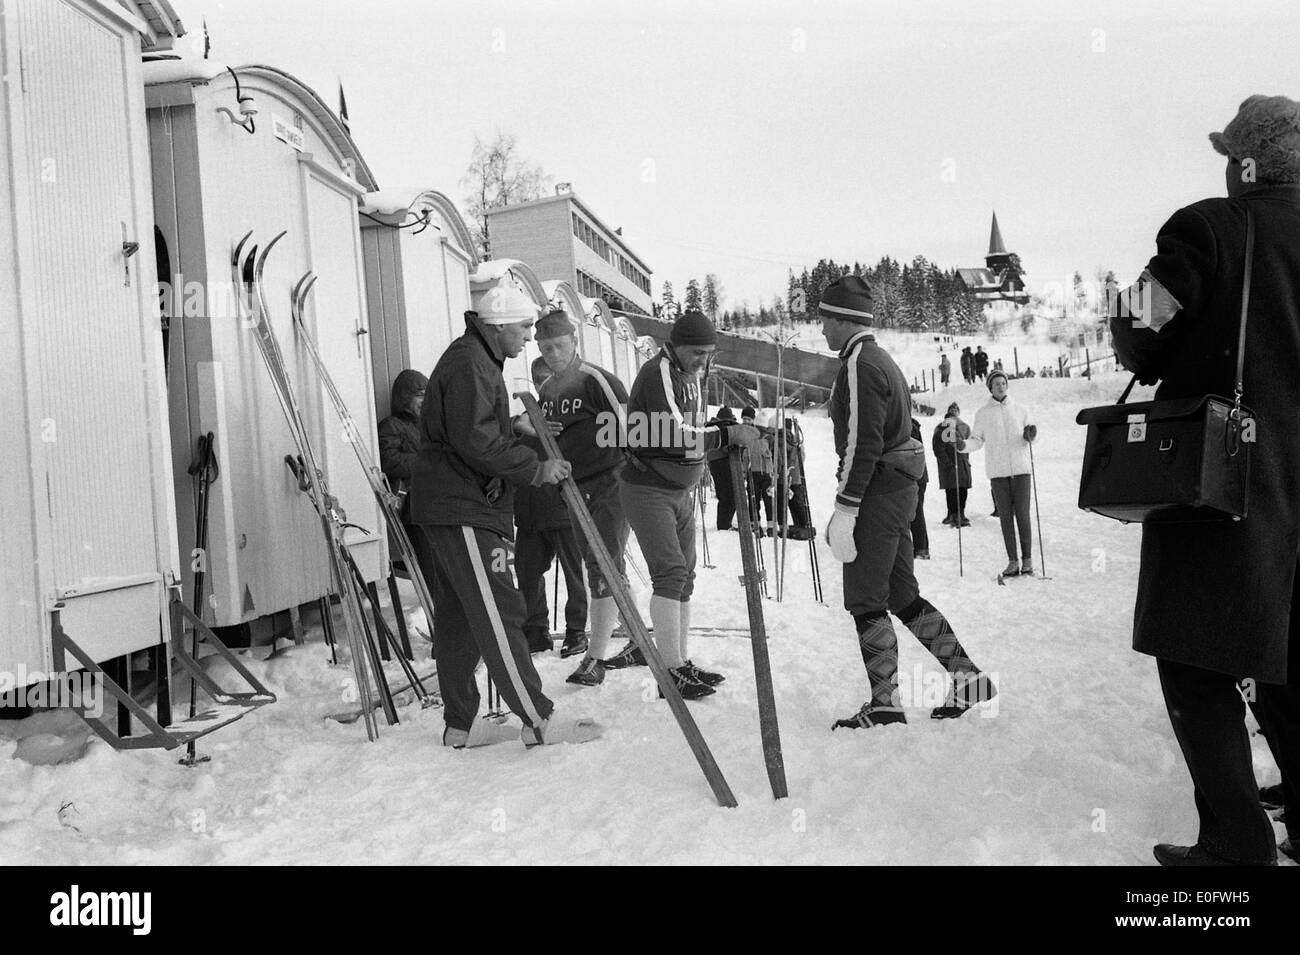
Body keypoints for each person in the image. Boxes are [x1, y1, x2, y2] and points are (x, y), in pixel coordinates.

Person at [1110, 95, 1300, 866]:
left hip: (1223, 478)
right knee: (1281, 654)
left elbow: (1136, 328)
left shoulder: (1209, 231)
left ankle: (1235, 841)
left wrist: (1128, 325)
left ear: (1243, 164)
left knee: (1195, 656)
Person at [410, 286, 599, 748]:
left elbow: (467, 431)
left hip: (455, 502)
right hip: (462, 508)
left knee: (459, 614)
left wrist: (513, 427)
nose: (529, 338)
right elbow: (474, 440)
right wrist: (535, 468)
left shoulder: (475, 358)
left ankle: (461, 724)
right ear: (498, 324)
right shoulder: (472, 362)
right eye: (523, 327)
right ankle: (538, 719)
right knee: (500, 609)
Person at [818, 275, 995, 728]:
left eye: (826, 320)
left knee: (865, 598)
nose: (822, 330)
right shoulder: (879, 359)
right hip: (896, 490)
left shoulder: (860, 364)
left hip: (876, 492)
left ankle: (884, 705)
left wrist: (846, 507)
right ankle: (968, 678)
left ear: (844, 320)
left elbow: (862, 444)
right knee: (900, 593)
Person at [621, 310, 758, 700]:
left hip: (681, 490)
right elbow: (674, 433)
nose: (703, 360)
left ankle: (680, 660)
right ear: (677, 346)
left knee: (686, 576)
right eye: (697, 352)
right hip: (649, 487)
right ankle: (670, 672)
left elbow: (695, 427)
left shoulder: (691, 375)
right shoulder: (658, 372)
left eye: (708, 352)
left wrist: (718, 435)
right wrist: (727, 433)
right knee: (669, 573)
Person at [534, 308, 638, 685]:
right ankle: (638, 638)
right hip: (574, 488)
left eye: (560, 346)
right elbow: (550, 437)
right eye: (546, 349)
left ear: (574, 342)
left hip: (609, 482)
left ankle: (595, 658)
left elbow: (632, 427)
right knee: (602, 565)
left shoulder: (596, 379)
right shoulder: (546, 390)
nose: (554, 355)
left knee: (602, 567)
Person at [513, 357, 588, 657]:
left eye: (550, 378)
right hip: (530, 510)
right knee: (528, 572)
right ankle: (536, 630)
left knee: (573, 573)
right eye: (539, 379)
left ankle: (576, 630)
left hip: (562, 507)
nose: (545, 384)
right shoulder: (523, 420)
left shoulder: (572, 417)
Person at [957, 370, 1037, 576]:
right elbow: (977, 440)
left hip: (1021, 471)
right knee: (1006, 519)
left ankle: (1027, 559)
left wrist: (1031, 436)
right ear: (990, 388)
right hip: (998, 473)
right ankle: (1013, 561)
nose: (1001, 386)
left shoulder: (1020, 410)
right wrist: (962, 445)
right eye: (997, 384)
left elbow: (1031, 436)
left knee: (1023, 516)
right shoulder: (983, 413)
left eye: (1003, 383)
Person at [377, 368, 428, 556]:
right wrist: (429, 462)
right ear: (405, 397)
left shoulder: (428, 427)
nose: (425, 401)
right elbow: (389, 461)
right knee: (428, 565)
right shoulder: (391, 425)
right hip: (412, 510)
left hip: (435, 507)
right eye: (420, 395)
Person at [933, 402, 971, 527]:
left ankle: (961, 514)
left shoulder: (965, 427)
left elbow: (968, 444)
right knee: (952, 490)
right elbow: (938, 447)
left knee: (963, 489)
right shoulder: (941, 427)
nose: (954, 412)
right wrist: (947, 462)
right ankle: (953, 514)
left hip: (962, 462)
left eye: (956, 410)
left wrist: (966, 459)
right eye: (952, 410)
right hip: (949, 464)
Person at [775, 417, 814, 539]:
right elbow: (802, 456)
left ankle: (800, 524)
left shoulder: (781, 439)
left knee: (789, 502)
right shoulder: (795, 439)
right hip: (796, 475)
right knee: (796, 501)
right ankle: (804, 524)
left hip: (785, 476)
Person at [742, 406, 775, 530]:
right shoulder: (768, 438)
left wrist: (744, 472)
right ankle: (766, 525)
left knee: (756, 501)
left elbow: (746, 457)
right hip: (763, 473)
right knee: (764, 501)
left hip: (756, 473)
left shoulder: (755, 438)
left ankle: (757, 525)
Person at [705, 407, 738, 530]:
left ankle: (723, 524)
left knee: (724, 495)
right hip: (724, 461)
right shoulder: (725, 426)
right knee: (730, 496)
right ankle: (724, 525)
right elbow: (727, 445)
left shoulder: (711, 427)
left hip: (713, 462)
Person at [909, 416, 930, 559]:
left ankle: (921, 548)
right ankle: (920, 547)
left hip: (915, 474)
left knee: (915, 511)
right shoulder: (910, 424)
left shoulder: (909, 426)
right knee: (915, 511)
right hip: (917, 474)